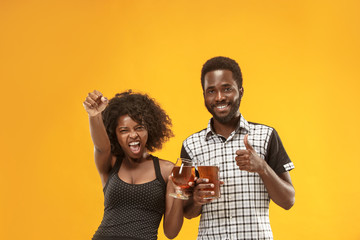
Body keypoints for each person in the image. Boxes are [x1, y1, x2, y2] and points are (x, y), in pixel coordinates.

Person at [181, 56, 295, 240]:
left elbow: (288, 201)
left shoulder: (266, 136)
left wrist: (262, 167)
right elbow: (187, 213)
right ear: (204, 95)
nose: (219, 97)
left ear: (240, 91)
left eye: (227, 89)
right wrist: (196, 199)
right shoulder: (191, 145)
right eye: (211, 91)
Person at [83, 90, 184, 240]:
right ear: (115, 134)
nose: (133, 135)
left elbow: (171, 232)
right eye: (124, 130)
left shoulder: (166, 170)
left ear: (149, 129)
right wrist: (94, 115)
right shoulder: (111, 162)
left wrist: (180, 191)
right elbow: (101, 147)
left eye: (139, 128)